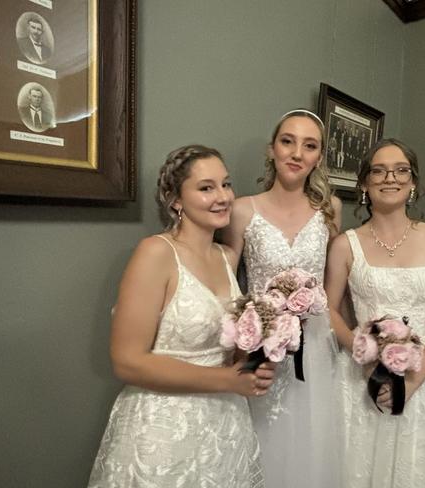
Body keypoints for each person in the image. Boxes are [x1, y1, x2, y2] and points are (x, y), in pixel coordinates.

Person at [88, 145, 274, 488]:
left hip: (225, 428)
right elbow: (127, 361)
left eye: (226, 184)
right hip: (165, 430)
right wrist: (229, 381)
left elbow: (226, 346)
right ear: (175, 200)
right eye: (206, 188)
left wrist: (255, 357)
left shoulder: (226, 256)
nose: (223, 196)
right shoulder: (156, 253)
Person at [325, 138, 425, 487]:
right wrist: (364, 353)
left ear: (413, 182)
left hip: (423, 376)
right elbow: (329, 311)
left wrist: (412, 381)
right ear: (364, 183)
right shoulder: (346, 244)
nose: (390, 178)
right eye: (379, 171)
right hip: (361, 380)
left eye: (401, 170)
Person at [221, 109, 343, 488]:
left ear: (319, 158)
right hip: (261, 345)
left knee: (312, 442)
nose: (296, 153)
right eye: (287, 141)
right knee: (263, 439)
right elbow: (227, 281)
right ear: (271, 149)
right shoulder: (243, 209)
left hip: (316, 346)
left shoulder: (330, 211)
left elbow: (333, 282)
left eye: (309, 146)